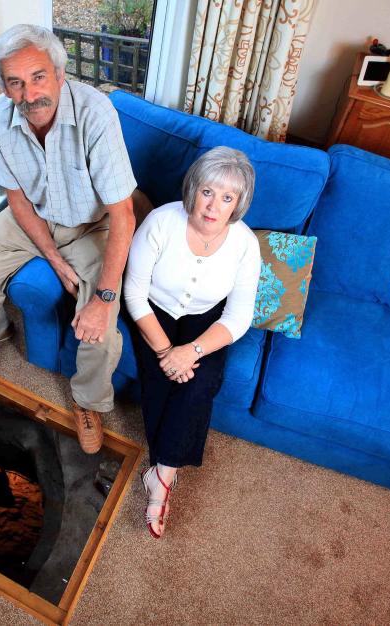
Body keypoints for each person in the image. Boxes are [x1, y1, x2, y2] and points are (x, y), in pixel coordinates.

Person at [0, 24, 136, 455]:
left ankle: (88, 402)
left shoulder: (96, 113)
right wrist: (52, 257)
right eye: (15, 82)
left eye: (38, 77)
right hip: (31, 217)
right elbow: (16, 200)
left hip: (94, 224)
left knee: (99, 329)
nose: (29, 93)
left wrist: (104, 297)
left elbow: (122, 214)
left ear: (59, 73)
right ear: (4, 86)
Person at [123, 147, 260, 538]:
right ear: (194, 189)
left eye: (228, 197)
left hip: (206, 319)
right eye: (208, 192)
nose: (214, 206)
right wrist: (166, 352)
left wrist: (192, 351)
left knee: (202, 381)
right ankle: (165, 478)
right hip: (153, 310)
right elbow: (133, 292)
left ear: (239, 203)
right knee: (161, 378)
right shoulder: (161, 222)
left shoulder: (245, 245)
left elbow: (238, 317)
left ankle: (160, 476)